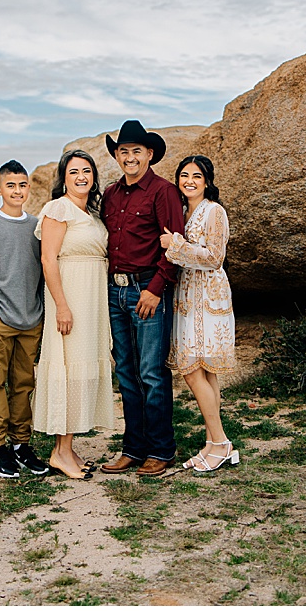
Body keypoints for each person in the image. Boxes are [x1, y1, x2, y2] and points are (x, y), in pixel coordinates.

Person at [99, 120, 185, 480]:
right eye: (124, 151)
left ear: (149, 154)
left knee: (151, 372)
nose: (130, 157)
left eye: (137, 151)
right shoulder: (111, 194)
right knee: (126, 373)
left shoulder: (163, 192)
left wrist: (155, 287)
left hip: (146, 290)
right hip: (114, 292)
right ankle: (132, 448)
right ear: (117, 156)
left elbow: (175, 245)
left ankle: (161, 449)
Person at [32, 150, 119, 480]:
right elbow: (48, 260)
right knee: (68, 370)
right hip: (68, 296)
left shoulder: (93, 214)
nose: (81, 176)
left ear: (94, 177)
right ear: (63, 178)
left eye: (86, 171)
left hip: (92, 298)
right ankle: (60, 452)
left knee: (83, 372)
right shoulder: (58, 209)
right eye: (74, 172)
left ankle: (67, 449)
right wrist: (63, 305)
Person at [0, 160, 51, 480]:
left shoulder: (36, 226)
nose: (17, 191)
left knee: (23, 384)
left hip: (30, 318)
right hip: (0, 318)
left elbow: (43, 268)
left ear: (28, 189)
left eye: (22, 185)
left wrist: (41, 309)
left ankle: (21, 444)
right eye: (10, 186)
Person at [161, 156, 238, 473]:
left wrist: (176, 245)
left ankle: (221, 443)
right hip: (186, 296)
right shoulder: (181, 211)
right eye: (184, 175)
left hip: (208, 296)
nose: (189, 180)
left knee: (192, 368)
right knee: (204, 371)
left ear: (207, 181)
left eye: (196, 175)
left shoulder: (214, 211)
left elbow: (215, 257)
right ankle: (212, 443)